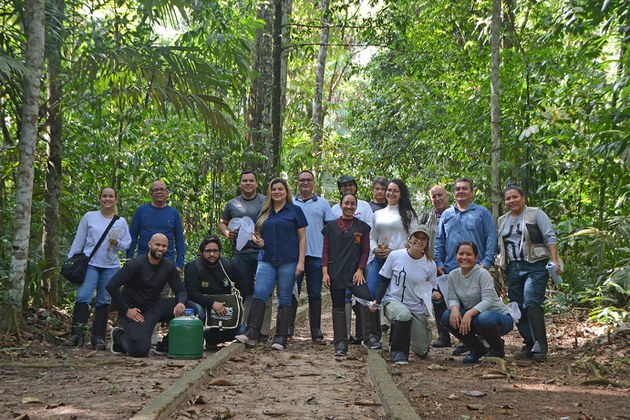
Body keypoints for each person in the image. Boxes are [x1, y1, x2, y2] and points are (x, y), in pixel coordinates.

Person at [235, 179, 307, 350]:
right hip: (266, 259)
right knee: (260, 293)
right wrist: (257, 241)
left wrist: (301, 262)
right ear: (270, 192)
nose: (277, 192)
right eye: (273, 189)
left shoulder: (295, 211)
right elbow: (256, 233)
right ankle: (252, 331)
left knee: (284, 297)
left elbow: (303, 238)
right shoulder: (265, 211)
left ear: (286, 191)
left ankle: (280, 337)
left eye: (280, 189)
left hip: (288, 261)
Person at [497, 184, 562, 361]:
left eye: (515, 197)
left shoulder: (535, 213)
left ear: (523, 197)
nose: (512, 201)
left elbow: (549, 235)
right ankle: (529, 343)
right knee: (517, 305)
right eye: (508, 198)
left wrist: (554, 259)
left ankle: (540, 346)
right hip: (513, 267)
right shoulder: (502, 220)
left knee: (532, 301)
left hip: (536, 264)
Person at [434, 178, 497, 355]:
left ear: (472, 192)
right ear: (453, 193)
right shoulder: (447, 214)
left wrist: (487, 262)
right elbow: (440, 239)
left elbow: (491, 237)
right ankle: (466, 340)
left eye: (465, 189)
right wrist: (439, 262)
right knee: (452, 304)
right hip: (452, 268)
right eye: (457, 189)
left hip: (478, 267)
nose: (461, 191)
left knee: (477, 303)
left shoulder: (482, 213)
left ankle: (484, 340)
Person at [66, 187, 131, 349]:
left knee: (103, 300)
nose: (107, 199)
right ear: (100, 198)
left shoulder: (120, 221)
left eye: (111, 196)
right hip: (91, 264)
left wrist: (117, 244)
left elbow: (127, 243)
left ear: (116, 199)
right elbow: (79, 240)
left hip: (111, 266)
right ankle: (76, 334)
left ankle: (98, 337)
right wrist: (70, 260)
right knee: (83, 296)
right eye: (104, 196)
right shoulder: (90, 217)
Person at [107, 233, 188, 358]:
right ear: (149, 244)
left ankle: (166, 344)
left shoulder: (168, 267)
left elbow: (181, 290)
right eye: (158, 244)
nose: (160, 248)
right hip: (134, 312)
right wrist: (126, 310)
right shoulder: (135, 264)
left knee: (189, 305)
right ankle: (118, 335)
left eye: (164, 246)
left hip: (154, 307)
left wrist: (181, 303)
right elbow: (111, 286)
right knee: (139, 351)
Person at [218, 170, 272, 342]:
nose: (248, 183)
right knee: (245, 291)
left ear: (256, 183)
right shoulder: (232, 204)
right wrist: (226, 233)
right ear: (240, 184)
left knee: (265, 291)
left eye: (251, 181)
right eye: (245, 181)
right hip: (240, 254)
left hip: (262, 253)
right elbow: (222, 223)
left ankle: (263, 330)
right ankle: (247, 328)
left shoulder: (265, 201)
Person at [373, 226, 439, 364]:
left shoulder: (430, 264)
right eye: (416, 237)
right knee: (403, 315)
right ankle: (398, 353)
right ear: (410, 239)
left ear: (427, 242)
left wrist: (435, 294)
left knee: (422, 350)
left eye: (423, 239)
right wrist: (377, 301)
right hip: (393, 301)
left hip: (415, 307)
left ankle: (403, 336)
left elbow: (432, 287)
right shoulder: (395, 255)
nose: (419, 241)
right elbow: (384, 280)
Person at [366, 179, 419, 347]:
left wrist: (394, 252)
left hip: (400, 263)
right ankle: (375, 336)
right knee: (372, 293)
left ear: (401, 193)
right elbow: (372, 237)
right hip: (379, 260)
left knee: (398, 298)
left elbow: (414, 239)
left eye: (395, 191)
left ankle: (397, 339)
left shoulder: (409, 214)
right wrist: (375, 250)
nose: (390, 193)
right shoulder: (377, 214)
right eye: (389, 190)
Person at [442, 241, 513, 363]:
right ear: (456, 256)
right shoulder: (453, 275)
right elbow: (452, 297)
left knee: (484, 318)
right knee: (447, 316)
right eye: (461, 254)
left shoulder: (482, 273)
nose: (464, 257)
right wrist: (454, 308)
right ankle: (476, 348)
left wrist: (469, 313)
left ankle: (497, 350)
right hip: (475, 318)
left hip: (498, 317)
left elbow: (488, 300)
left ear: (476, 257)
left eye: (468, 254)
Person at [322, 193, 374, 356]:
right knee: (338, 307)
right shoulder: (331, 226)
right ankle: (340, 343)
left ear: (356, 206)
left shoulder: (362, 227)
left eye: (353, 204)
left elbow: (365, 250)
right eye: (346, 203)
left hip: (355, 273)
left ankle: (369, 337)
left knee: (367, 300)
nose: (349, 207)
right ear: (341, 205)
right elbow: (326, 250)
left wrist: (360, 269)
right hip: (336, 272)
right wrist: (325, 271)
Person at [292, 170, 335, 342]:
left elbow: (330, 231)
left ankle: (316, 330)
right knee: (292, 291)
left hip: (316, 255)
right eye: (301, 180)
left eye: (308, 180)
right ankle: (288, 328)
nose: (305, 183)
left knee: (315, 293)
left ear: (313, 183)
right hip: (294, 256)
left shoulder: (323, 204)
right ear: (297, 183)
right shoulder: (290, 203)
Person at [184, 236, 247, 350]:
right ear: (202, 252)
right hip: (202, 305)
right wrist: (212, 303)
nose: (212, 254)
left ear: (219, 252)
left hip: (224, 308)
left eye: (215, 251)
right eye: (208, 251)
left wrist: (233, 306)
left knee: (242, 330)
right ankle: (197, 337)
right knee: (198, 311)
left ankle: (212, 338)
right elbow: (191, 292)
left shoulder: (228, 265)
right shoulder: (194, 267)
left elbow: (243, 288)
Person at [419, 185, 452, 348]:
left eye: (440, 195)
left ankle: (468, 338)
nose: (438, 199)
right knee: (438, 299)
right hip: (433, 265)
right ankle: (443, 336)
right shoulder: (426, 217)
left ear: (447, 196)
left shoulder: (456, 213)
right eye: (434, 196)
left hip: (455, 263)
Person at [127, 180, 186, 271]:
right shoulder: (141, 211)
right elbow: (133, 236)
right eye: (156, 190)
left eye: (162, 189)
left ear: (167, 193)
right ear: (151, 194)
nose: (159, 192)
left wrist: (179, 264)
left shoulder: (173, 213)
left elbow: (179, 239)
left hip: (167, 262)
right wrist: (129, 260)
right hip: (143, 262)